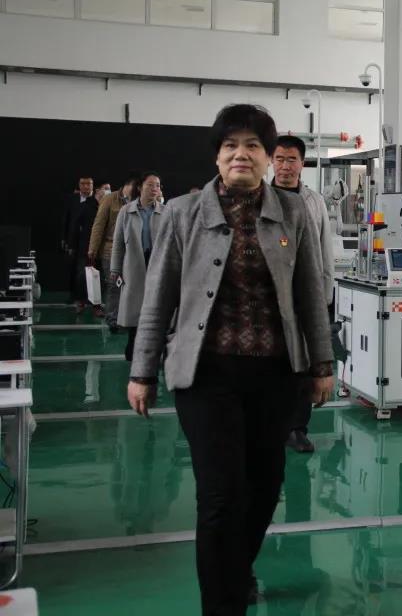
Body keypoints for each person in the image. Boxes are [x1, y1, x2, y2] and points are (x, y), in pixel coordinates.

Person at [127, 104, 334, 616]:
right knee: (220, 496)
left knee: (264, 488)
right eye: (230, 146)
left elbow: (310, 293)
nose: (241, 154)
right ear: (217, 157)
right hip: (207, 375)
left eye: (253, 146)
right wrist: (141, 371)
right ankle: (222, 604)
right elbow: (158, 297)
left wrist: (322, 364)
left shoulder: (293, 213)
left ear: (268, 157)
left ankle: (234, 574)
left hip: (275, 375)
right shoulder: (183, 213)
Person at [270, 135, 336, 454]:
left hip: (305, 296)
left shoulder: (314, 201)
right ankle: (270, 425)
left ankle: (297, 428)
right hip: (270, 298)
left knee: (304, 364)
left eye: (291, 159)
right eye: (280, 159)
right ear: (271, 162)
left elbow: (325, 250)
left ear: (302, 164)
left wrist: (324, 295)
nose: (285, 166)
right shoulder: (259, 198)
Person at [112, 172, 165, 362]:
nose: (155, 188)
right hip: (134, 266)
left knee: (157, 310)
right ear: (140, 187)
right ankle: (133, 348)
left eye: (157, 185)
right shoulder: (126, 211)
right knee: (135, 310)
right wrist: (115, 269)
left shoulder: (166, 211)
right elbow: (118, 243)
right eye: (150, 185)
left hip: (158, 265)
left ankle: (155, 352)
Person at [90, 174, 139, 332]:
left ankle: (128, 319)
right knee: (113, 285)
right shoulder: (109, 199)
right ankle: (112, 319)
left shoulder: (138, 201)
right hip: (110, 249)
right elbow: (99, 225)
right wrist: (92, 249)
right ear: (127, 185)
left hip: (133, 251)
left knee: (131, 286)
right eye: (136, 186)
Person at [63, 176, 98, 313]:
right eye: (83, 184)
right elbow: (68, 220)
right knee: (79, 272)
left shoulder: (97, 200)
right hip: (77, 243)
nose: (86, 186)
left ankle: (94, 302)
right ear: (79, 185)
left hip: (95, 242)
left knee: (94, 273)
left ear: (93, 185)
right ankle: (79, 299)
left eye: (89, 183)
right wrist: (67, 240)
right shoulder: (72, 199)